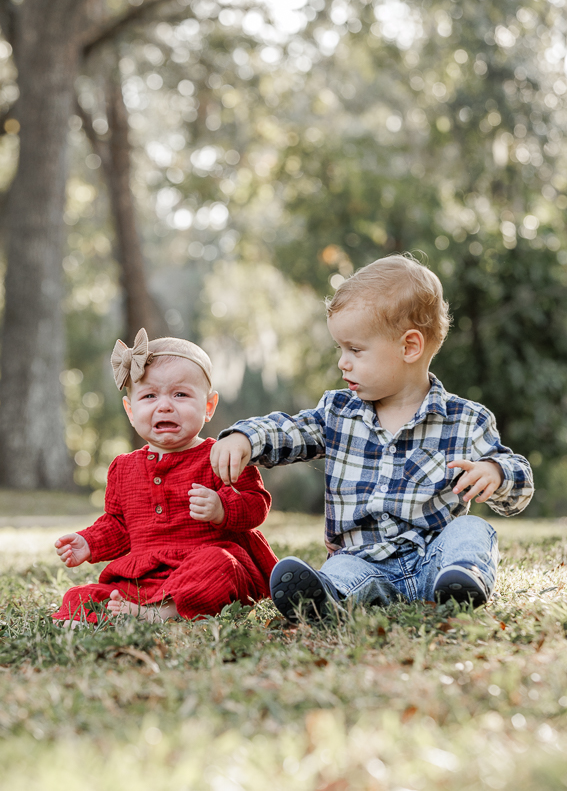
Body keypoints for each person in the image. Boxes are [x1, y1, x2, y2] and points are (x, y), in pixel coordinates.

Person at [210, 255, 534, 621]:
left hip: (435, 560)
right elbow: (291, 430)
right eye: (341, 350)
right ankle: (324, 597)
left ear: (409, 347)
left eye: (356, 350)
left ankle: (462, 584)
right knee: (342, 572)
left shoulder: (466, 420)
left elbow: (518, 481)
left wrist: (496, 471)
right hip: (363, 562)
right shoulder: (338, 411)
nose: (342, 363)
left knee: (472, 529)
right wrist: (246, 438)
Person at [53, 329, 277, 625]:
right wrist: (89, 542)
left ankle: (164, 613)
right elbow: (118, 524)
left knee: (219, 566)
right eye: (149, 396)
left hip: (203, 566)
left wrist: (222, 509)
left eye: (180, 394)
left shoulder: (221, 454)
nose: (165, 405)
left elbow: (256, 503)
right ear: (131, 411)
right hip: (145, 577)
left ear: (208, 406)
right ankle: (119, 613)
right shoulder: (124, 467)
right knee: (78, 596)